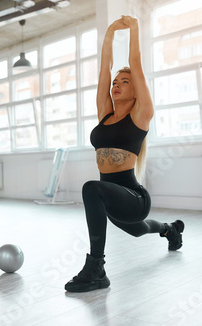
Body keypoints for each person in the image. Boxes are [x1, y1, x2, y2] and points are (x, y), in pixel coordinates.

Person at [64, 16, 185, 293]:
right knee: (140, 229)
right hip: (112, 201)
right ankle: (170, 229)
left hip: (133, 198)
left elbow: (138, 66)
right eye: (116, 81)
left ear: (136, 91)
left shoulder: (141, 116)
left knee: (91, 188)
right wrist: (108, 34)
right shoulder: (105, 114)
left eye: (125, 82)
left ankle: (96, 268)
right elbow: (103, 72)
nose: (116, 84)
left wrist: (134, 30)